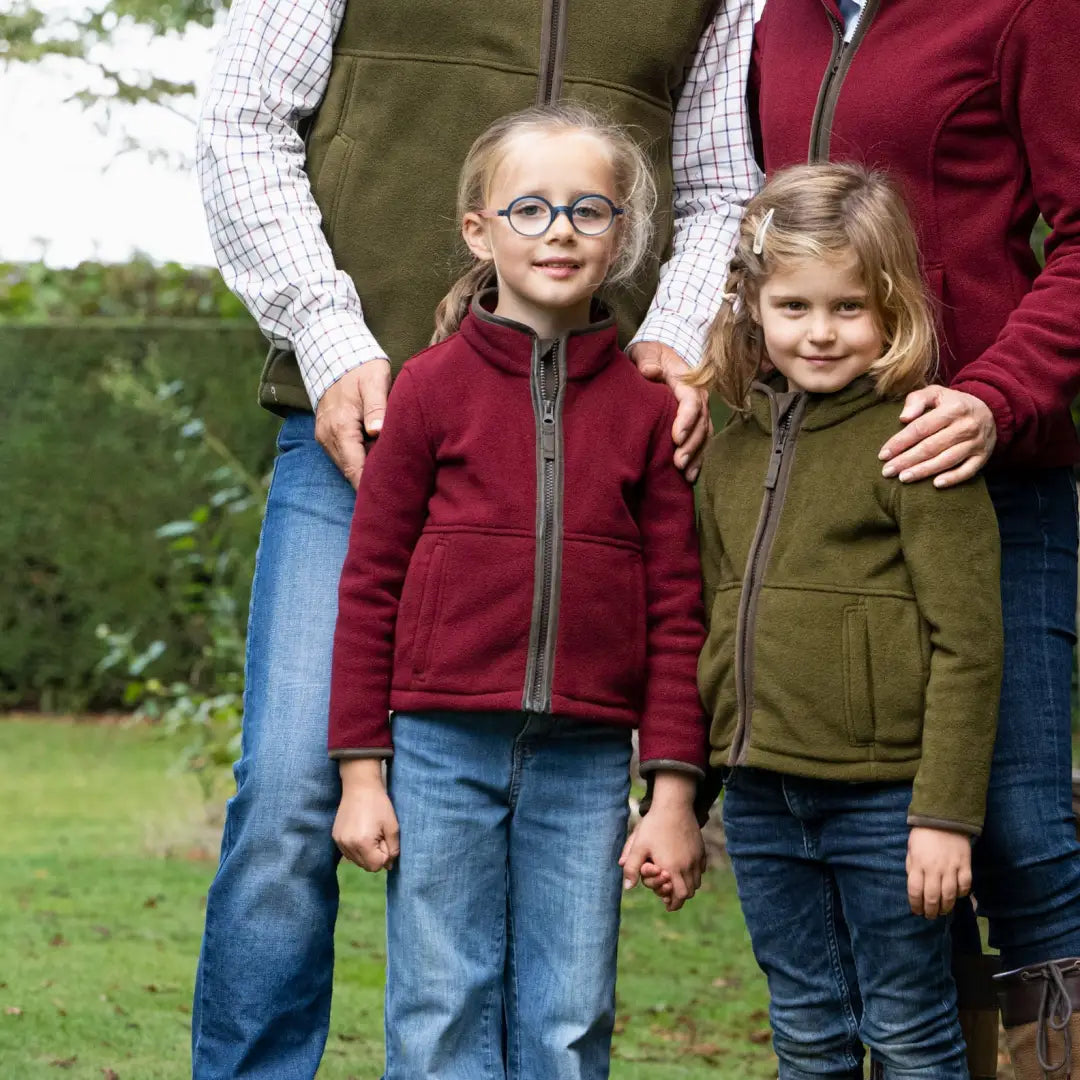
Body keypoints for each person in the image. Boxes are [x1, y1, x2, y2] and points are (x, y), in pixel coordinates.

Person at [192, 1, 761, 1074]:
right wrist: (327, 333)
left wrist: (677, 338)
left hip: (590, 423)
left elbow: (728, 175)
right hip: (363, 416)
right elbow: (242, 118)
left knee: (558, 985)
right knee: (285, 800)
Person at [327, 102, 709, 1080]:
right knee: (441, 1001)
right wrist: (363, 775)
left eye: (589, 209)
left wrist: (671, 794)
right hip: (439, 752)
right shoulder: (427, 390)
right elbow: (370, 586)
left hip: (585, 767)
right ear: (479, 229)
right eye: (530, 209)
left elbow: (676, 610)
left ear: (621, 234)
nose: (560, 232)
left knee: (570, 1013)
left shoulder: (644, 412)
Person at [750, 2, 1080, 1074]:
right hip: (832, 497)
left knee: (1020, 830)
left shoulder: (1027, 12)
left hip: (994, 475)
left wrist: (997, 394)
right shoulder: (773, 22)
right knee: (898, 849)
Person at [681, 163, 1002, 1078]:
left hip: (887, 807)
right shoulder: (730, 446)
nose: (819, 333)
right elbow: (710, 629)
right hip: (763, 801)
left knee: (908, 1030)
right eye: (794, 306)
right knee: (808, 1030)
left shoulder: (917, 439)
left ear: (893, 307)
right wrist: (686, 796)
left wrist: (943, 817)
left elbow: (969, 645)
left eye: (849, 307)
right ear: (754, 306)